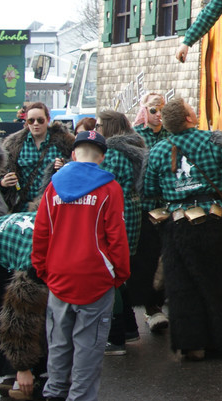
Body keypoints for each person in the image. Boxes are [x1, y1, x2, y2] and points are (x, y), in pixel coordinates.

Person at [143, 97, 222, 360]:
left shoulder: (157, 150)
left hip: (176, 225)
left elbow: (148, 189)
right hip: (213, 222)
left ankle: (191, 343)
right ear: (189, 118)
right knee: (218, 281)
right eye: (191, 110)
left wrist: (174, 195)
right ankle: (220, 341)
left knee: (181, 285)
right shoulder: (215, 141)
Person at [32, 129, 129, 401]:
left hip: (59, 275)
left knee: (58, 342)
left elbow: (41, 233)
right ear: (102, 157)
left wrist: (43, 269)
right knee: (89, 347)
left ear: (73, 155)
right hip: (96, 277)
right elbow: (117, 237)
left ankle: (54, 392)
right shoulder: (110, 188)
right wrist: (119, 274)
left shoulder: (53, 186)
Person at [95, 110, 148, 355]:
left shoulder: (114, 152)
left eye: (98, 125)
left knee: (110, 274)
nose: (96, 129)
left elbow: (103, 183)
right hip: (132, 211)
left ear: (109, 127)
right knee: (119, 273)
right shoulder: (132, 147)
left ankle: (115, 337)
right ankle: (129, 329)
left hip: (118, 214)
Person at [0, 212, 48, 401]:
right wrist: (23, 367)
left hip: (13, 241)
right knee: (15, 307)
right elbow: (18, 316)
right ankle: (19, 374)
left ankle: (37, 368)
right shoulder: (34, 263)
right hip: (2, 252)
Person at [128, 93, 169, 333]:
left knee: (163, 258)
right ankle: (147, 306)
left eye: (162, 109)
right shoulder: (136, 137)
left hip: (166, 206)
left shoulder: (170, 135)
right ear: (144, 111)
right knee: (145, 257)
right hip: (143, 207)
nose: (158, 114)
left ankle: (156, 305)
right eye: (153, 110)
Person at [0, 102, 74, 213]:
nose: (36, 124)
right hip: (22, 208)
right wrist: (3, 182)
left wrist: (64, 166)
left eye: (40, 120)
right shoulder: (13, 144)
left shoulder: (65, 142)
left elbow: (76, 169)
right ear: (26, 122)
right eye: (31, 121)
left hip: (54, 206)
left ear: (48, 120)